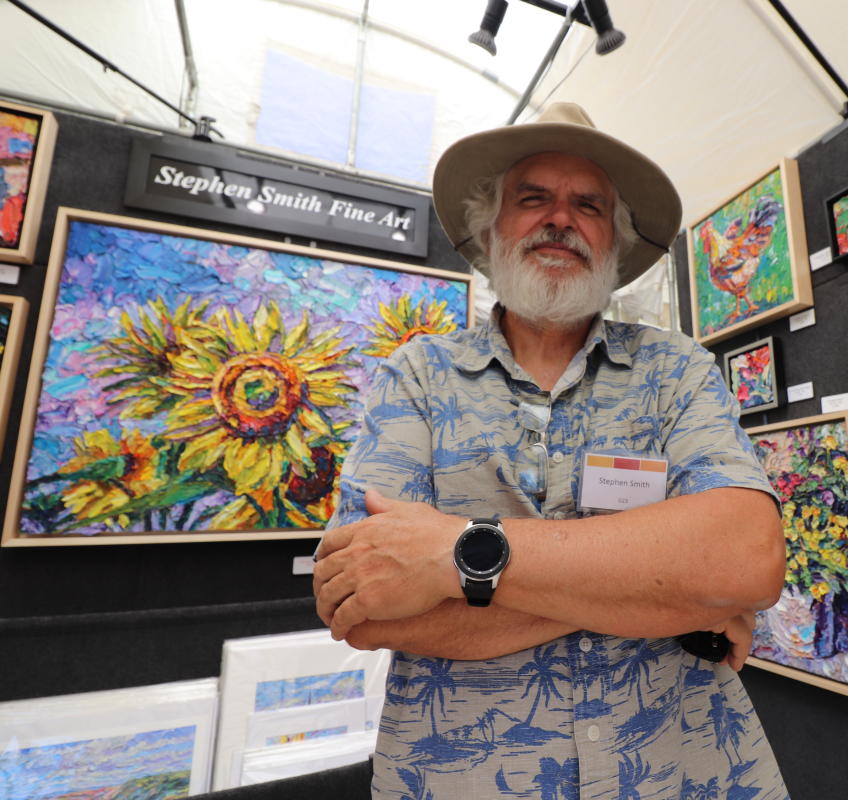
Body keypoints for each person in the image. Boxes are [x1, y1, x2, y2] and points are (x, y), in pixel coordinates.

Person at [313, 102, 788, 799]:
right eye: (533, 197)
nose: (560, 218)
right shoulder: (416, 374)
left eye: (588, 204)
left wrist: (452, 556)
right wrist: (677, 591)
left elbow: (747, 557)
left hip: (688, 772)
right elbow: (363, 603)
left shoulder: (676, 368)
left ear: (616, 239)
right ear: (490, 226)